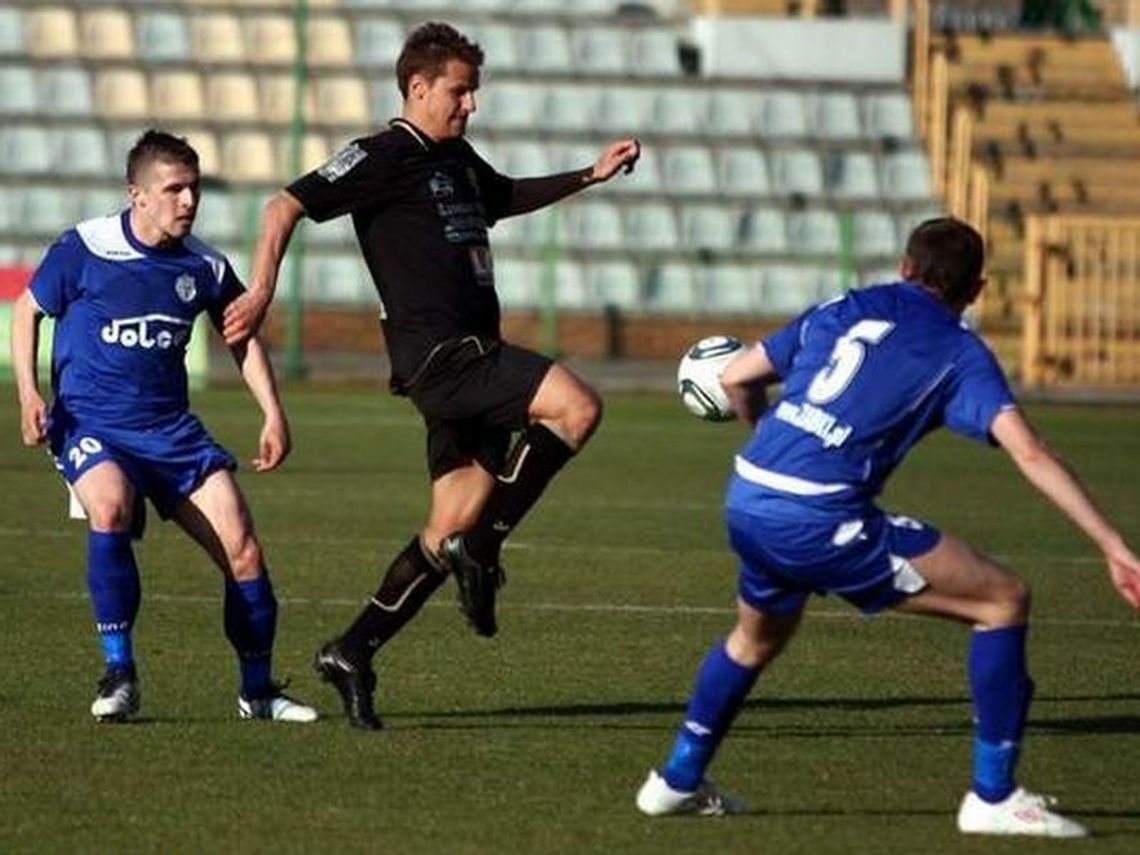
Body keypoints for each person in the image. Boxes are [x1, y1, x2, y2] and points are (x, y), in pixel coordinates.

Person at [634, 218, 1140, 836]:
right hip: (819, 514)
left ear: (905, 268)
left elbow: (737, 376)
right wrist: (1114, 546)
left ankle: (677, 780)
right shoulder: (960, 352)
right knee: (1003, 600)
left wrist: (768, 439)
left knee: (755, 639)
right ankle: (993, 797)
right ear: (977, 289)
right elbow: (1029, 452)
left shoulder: (849, 303)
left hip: (750, 492)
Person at [220, 21, 640, 730]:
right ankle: (484, 547)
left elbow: (503, 196)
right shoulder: (385, 154)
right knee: (577, 408)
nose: (470, 103)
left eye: (474, 91)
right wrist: (260, 289)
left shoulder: (457, 157)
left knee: (448, 524)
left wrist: (586, 176)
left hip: (469, 355)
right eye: (459, 90)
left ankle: (354, 649)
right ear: (418, 87)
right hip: (444, 358)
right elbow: (283, 204)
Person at [11, 130, 317, 725]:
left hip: (173, 433)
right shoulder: (86, 247)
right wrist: (29, 393)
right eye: (174, 189)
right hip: (92, 423)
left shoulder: (203, 265)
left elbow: (241, 338)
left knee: (244, 550)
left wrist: (273, 413)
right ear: (138, 195)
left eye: (194, 189)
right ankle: (119, 673)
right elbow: (28, 309)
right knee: (110, 509)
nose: (188, 201)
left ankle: (258, 694)